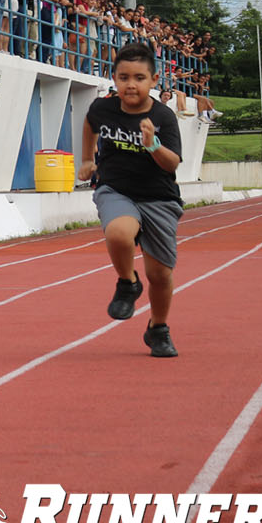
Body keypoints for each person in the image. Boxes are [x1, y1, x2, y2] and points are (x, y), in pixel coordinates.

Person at [78, 42, 184, 358]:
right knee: (119, 233)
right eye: (123, 77)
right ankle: (127, 282)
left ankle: (158, 328)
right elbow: (89, 124)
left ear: (153, 81)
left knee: (160, 276)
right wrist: (87, 158)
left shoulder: (163, 117)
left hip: (159, 198)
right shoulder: (102, 108)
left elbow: (172, 164)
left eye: (139, 77)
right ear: (114, 79)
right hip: (116, 189)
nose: (131, 84)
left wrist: (152, 145)